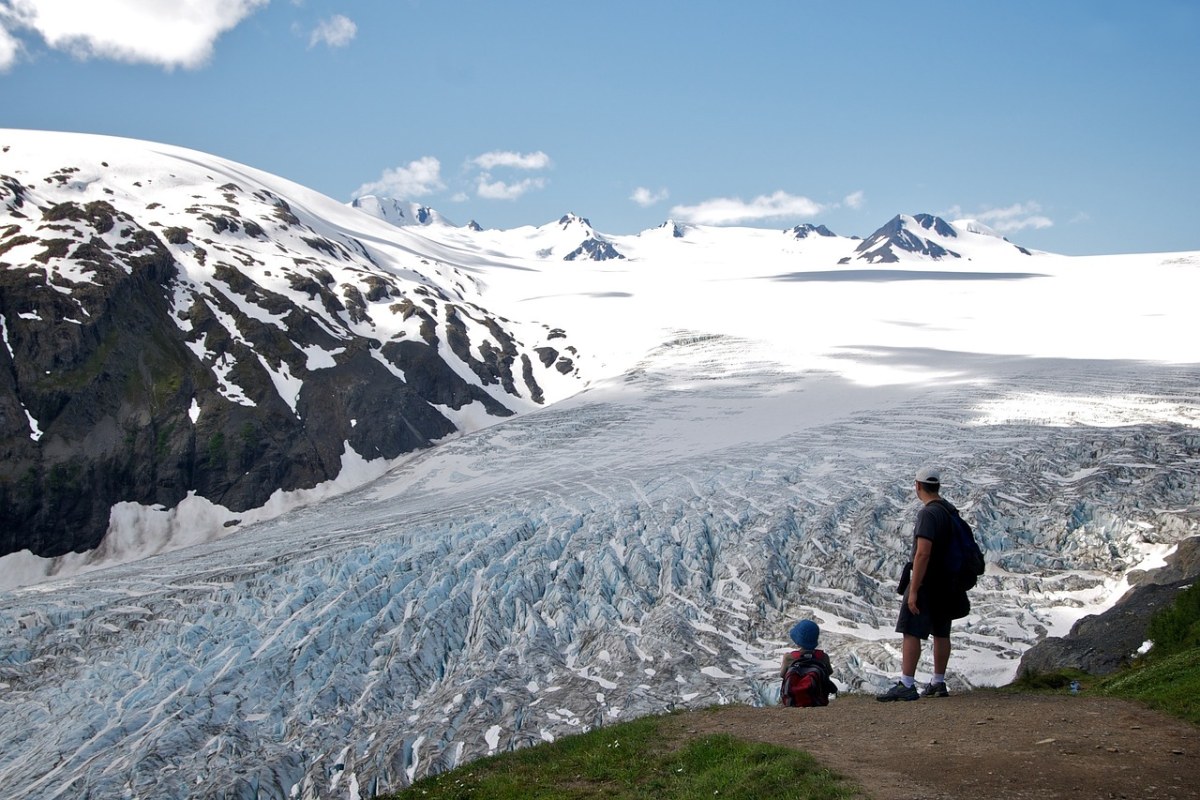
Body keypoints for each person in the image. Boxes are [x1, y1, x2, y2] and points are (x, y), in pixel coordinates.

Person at [876, 466, 960, 701]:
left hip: (927, 582)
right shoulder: (950, 511)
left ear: (918, 486)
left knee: (911, 630)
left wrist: (913, 589)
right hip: (948, 582)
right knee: (942, 631)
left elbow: (923, 553)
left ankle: (907, 683)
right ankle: (938, 682)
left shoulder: (928, 514)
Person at [779, 619, 838, 706]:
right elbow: (829, 673)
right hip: (818, 701)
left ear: (797, 641)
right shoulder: (823, 657)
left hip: (792, 702)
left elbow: (782, 675)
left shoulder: (789, 657)